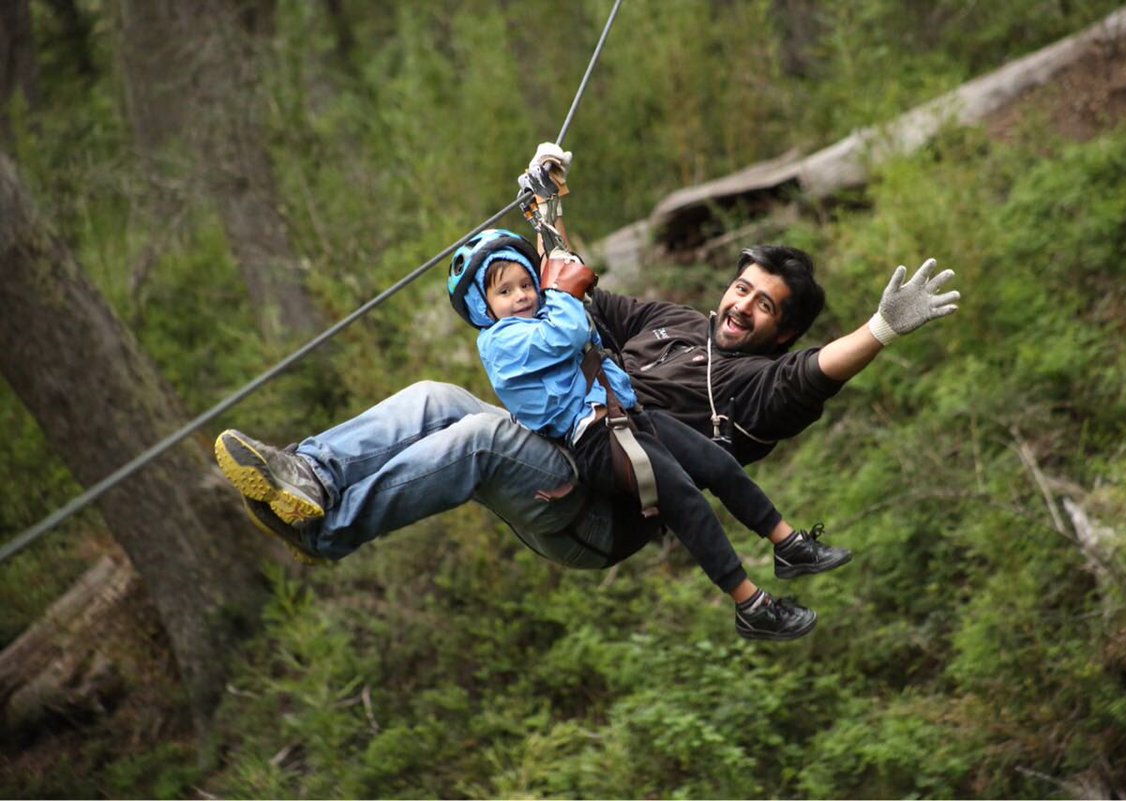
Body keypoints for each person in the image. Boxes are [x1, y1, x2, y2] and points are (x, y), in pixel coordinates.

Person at [214, 143, 959, 606]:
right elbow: (568, 289)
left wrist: (880, 329)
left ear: (783, 331)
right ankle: (309, 476)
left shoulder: (759, 392)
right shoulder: (670, 320)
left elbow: (817, 375)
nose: (743, 307)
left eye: (765, 308)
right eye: (742, 289)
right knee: (432, 396)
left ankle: (328, 534)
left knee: (477, 438)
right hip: (561, 446)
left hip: (596, 509)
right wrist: (546, 200)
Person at [447, 227, 848, 640]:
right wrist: (561, 291)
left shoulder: (546, 313)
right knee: (683, 496)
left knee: (715, 463)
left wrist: (547, 210)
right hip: (595, 440)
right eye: (505, 293)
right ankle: (750, 604)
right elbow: (568, 324)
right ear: (483, 307)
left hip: (627, 417)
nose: (523, 296)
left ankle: (789, 545)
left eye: (527, 284)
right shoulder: (505, 340)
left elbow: (571, 284)